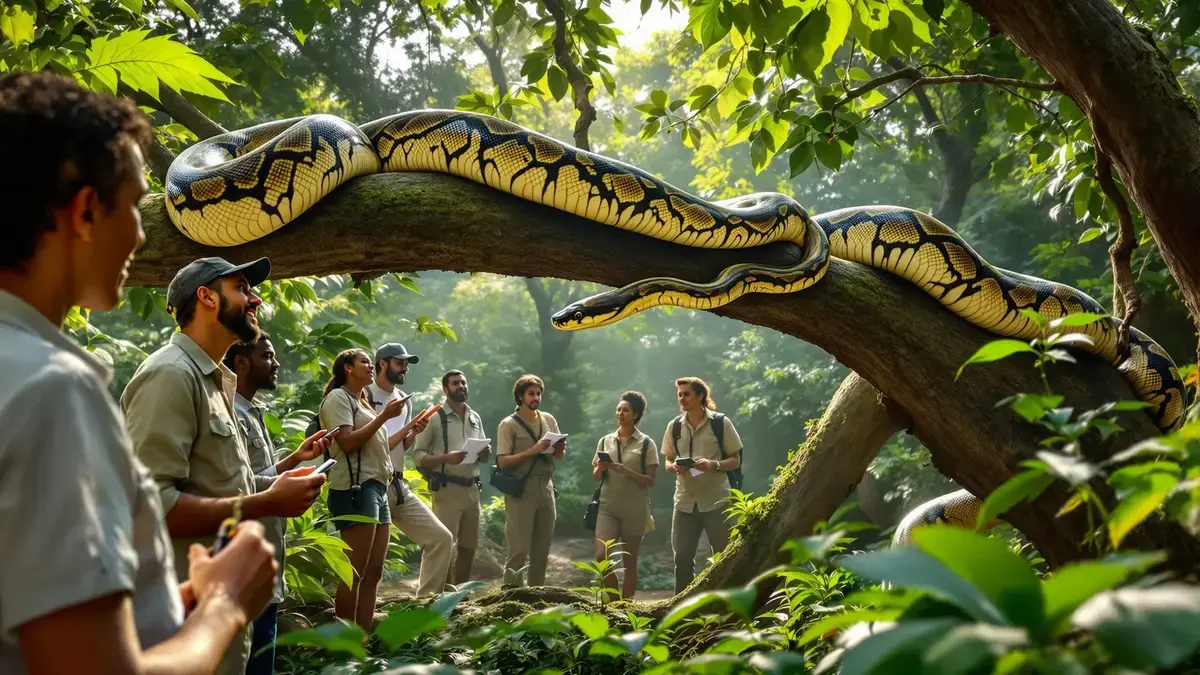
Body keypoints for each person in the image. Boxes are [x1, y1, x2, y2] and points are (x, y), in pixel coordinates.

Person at [0, 70, 277, 675]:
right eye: (133, 205)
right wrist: (227, 603)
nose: (141, 232)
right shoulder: (53, 390)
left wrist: (180, 602)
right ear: (84, 211)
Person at [122, 256, 329, 675]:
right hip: (182, 622)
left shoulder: (214, 382)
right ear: (206, 297)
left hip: (220, 611)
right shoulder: (169, 376)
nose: (254, 300)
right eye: (241, 289)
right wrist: (266, 503)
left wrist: (272, 483)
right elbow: (150, 507)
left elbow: (220, 483)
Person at [225, 333, 333, 675]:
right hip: (246, 564)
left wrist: (294, 460)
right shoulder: (230, 414)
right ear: (241, 363)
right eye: (268, 356)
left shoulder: (251, 411)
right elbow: (235, 487)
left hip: (267, 562)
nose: (276, 363)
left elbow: (257, 474)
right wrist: (283, 487)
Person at [363, 343, 454, 599]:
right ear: (382, 363)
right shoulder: (363, 395)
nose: (405, 368)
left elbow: (400, 446)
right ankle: (358, 620)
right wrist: (408, 428)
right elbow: (375, 443)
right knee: (368, 563)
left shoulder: (403, 399)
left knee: (440, 539)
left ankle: (426, 605)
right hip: (370, 484)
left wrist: (414, 431)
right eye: (399, 362)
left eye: (406, 364)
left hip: (398, 485)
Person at [661, 377, 743, 595]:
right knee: (682, 558)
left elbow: (735, 460)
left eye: (686, 394)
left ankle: (727, 606)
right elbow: (667, 460)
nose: (682, 398)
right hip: (685, 501)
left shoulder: (720, 422)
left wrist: (712, 464)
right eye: (679, 394)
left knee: (724, 555)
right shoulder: (675, 426)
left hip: (716, 500)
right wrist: (674, 468)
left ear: (700, 396)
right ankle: (681, 610)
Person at [412, 370, 491, 586]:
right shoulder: (434, 417)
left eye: (463, 382)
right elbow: (418, 457)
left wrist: (485, 454)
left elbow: (483, 447)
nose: (461, 386)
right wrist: (447, 458)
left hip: (473, 489)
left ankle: (461, 596)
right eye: (455, 383)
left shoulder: (474, 417)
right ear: (445, 389)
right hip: (447, 488)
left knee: (469, 546)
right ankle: (440, 596)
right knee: (444, 544)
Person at [495, 374, 567, 587]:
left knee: (542, 551)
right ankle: (510, 598)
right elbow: (502, 462)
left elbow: (559, 456)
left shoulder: (549, 420)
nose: (536, 397)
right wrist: (532, 451)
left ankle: (536, 596)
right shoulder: (508, 425)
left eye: (538, 393)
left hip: (546, 487)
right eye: (531, 394)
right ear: (520, 396)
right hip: (522, 489)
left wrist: (559, 449)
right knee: (518, 550)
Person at [592, 391, 659, 599]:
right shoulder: (605, 441)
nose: (620, 413)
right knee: (602, 556)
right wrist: (601, 468)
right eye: (619, 409)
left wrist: (626, 471)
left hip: (635, 508)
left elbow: (650, 480)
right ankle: (614, 604)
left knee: (629, 562)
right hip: (607, 506)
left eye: (626, 410)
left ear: (636, 415)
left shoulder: (647, 443)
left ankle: (626, 607)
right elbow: (595, 476)